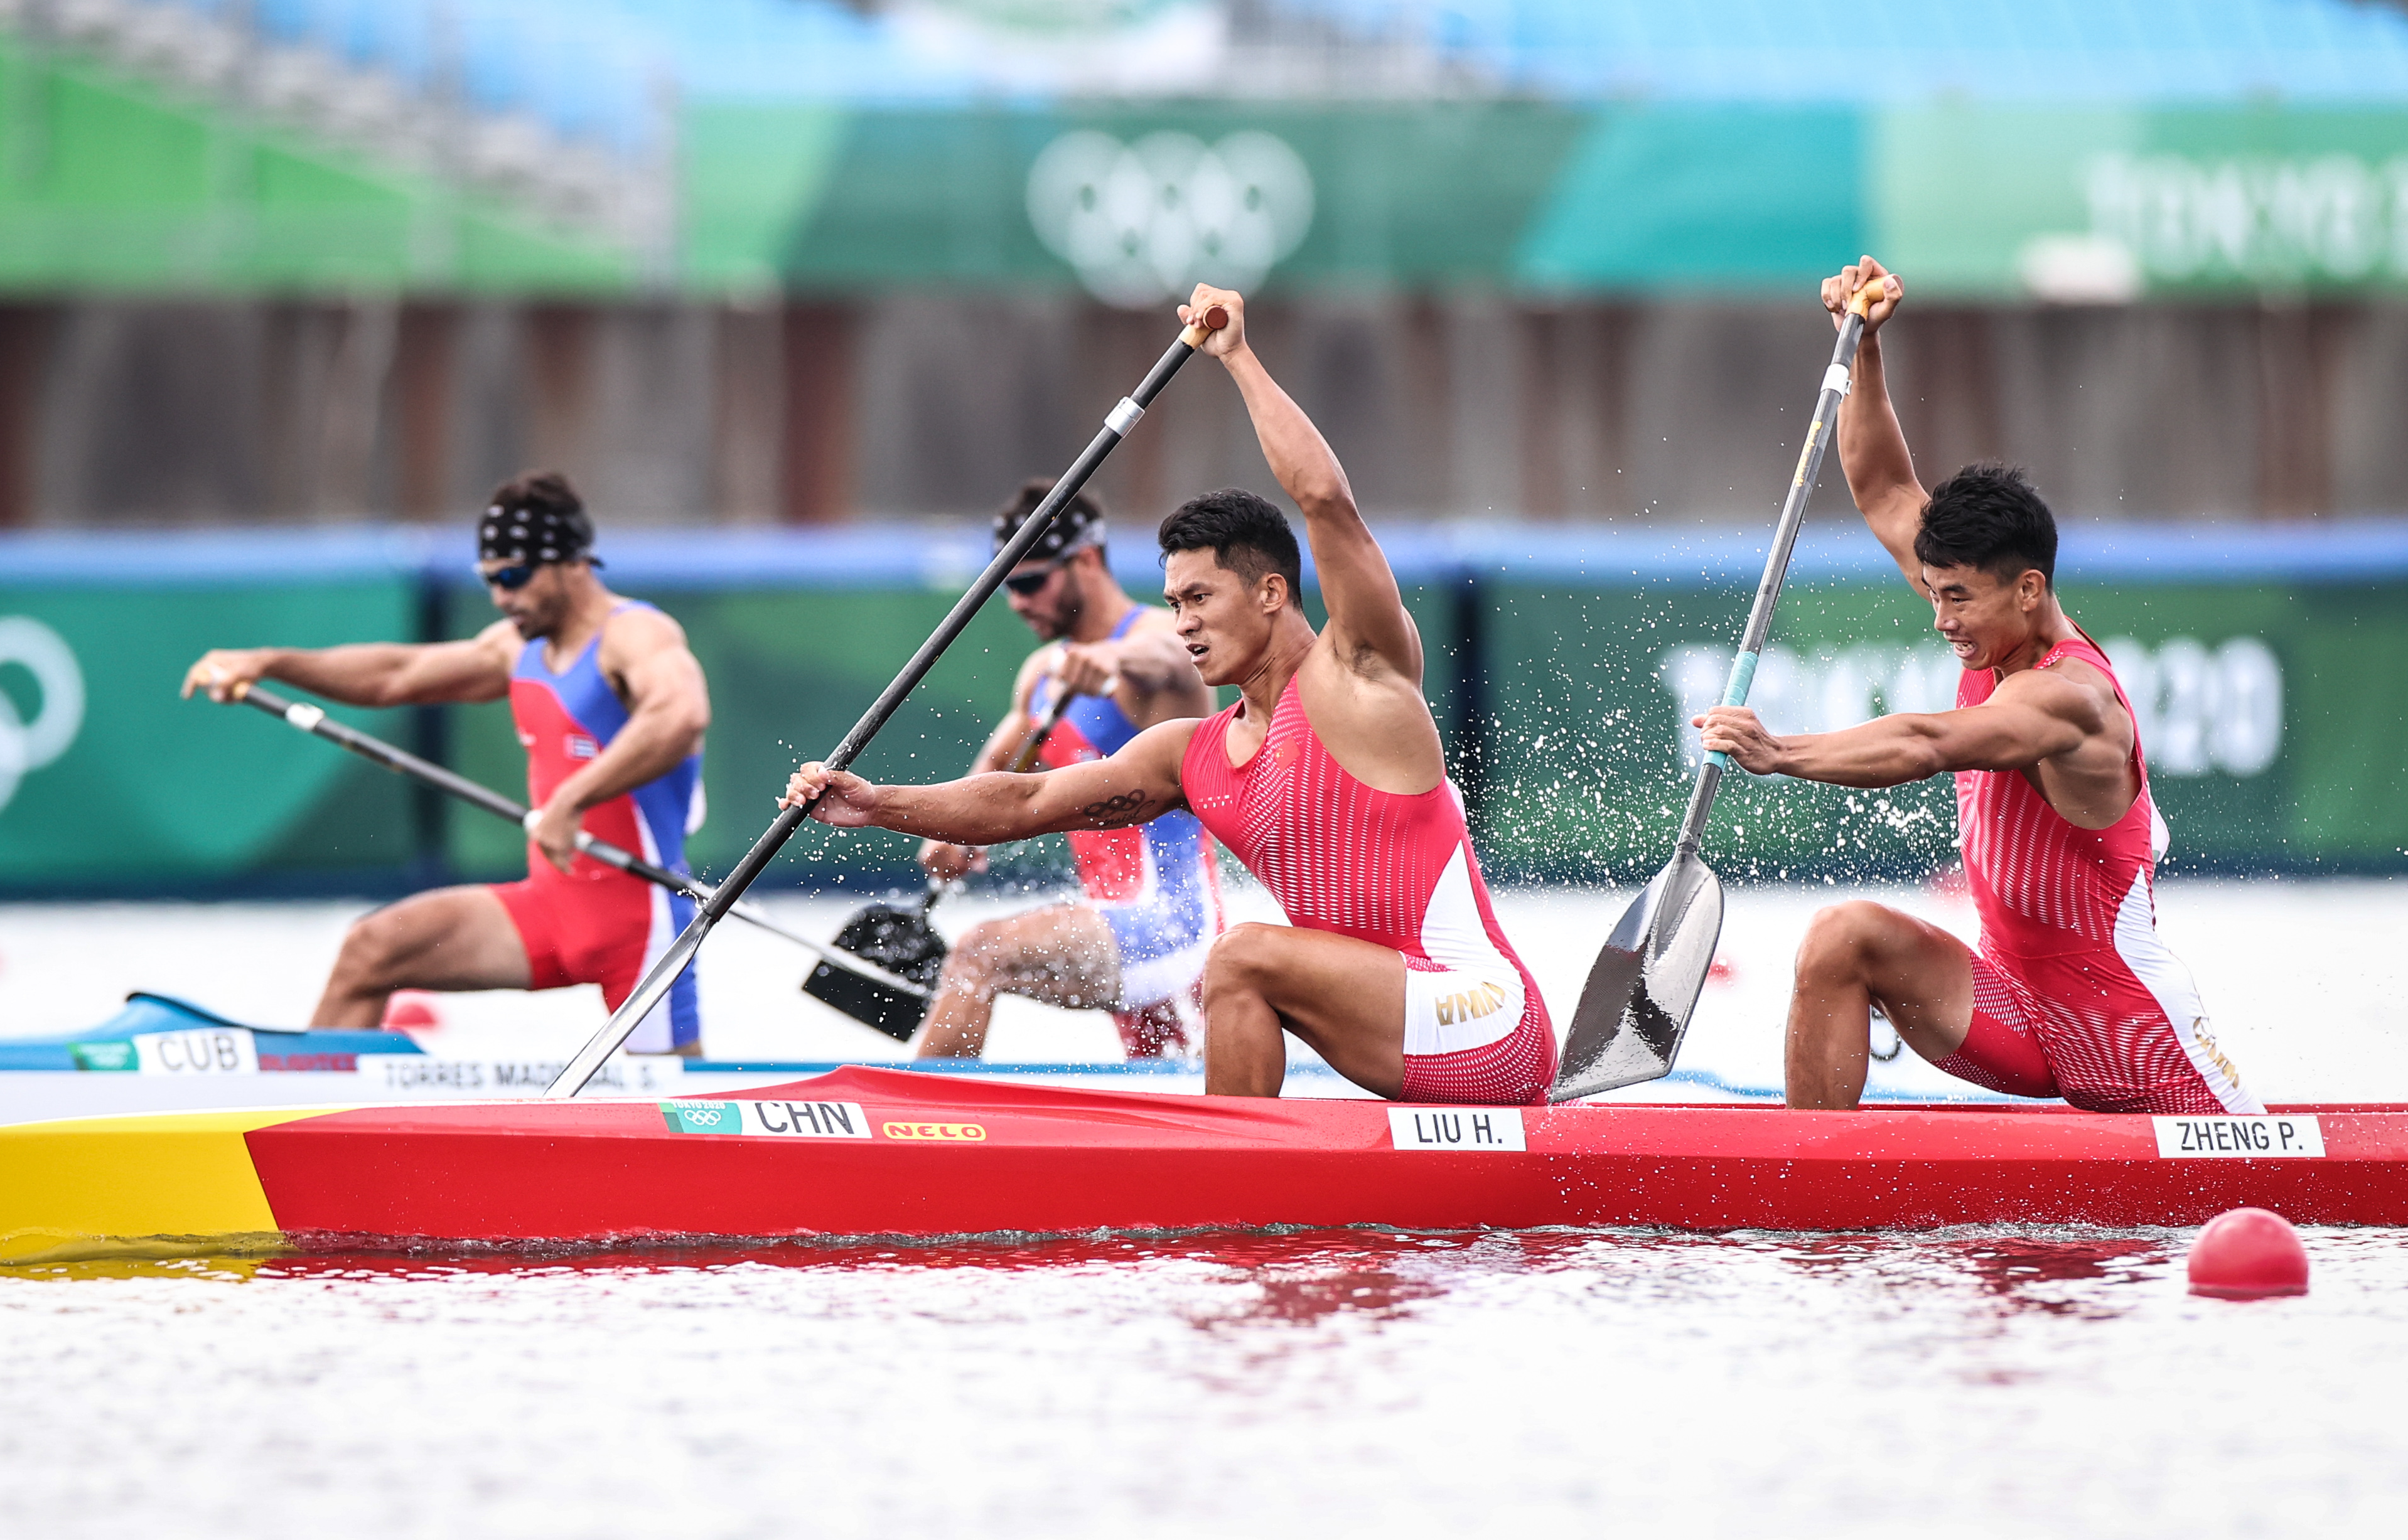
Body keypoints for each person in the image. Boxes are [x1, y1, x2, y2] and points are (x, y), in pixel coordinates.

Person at [783, 285, 1554, 1103]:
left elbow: (1326, 502)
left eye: (1198, 598)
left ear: (1267, 591)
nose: (1179, 622)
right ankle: (1241, 1197)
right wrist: (875, 803)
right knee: (1241, 972)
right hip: (1389, 1029)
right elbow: (1025, 800)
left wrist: (1237, 358)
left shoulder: (1360, 673)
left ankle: (1228, 1188)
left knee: (1242, 956)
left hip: (1485, 1022)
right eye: (1173, 601)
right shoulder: (1190, 754)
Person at [1692, 256, 2260, 1115]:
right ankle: (1811, 1189)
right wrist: (1863, 345)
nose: (1939, 618)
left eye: (1956, 599)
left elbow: (1925, 743)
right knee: (1840, 939)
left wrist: (1778, 752)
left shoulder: (2070, 700)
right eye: (1933, 592)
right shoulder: (1982, 614)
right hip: (2014, 1011)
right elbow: (1883, 488)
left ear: (2027, 588)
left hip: (2130, 1036)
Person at [181, 471, 710, 1050]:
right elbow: (395, 675)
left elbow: (680, 716)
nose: (502, 597)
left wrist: (571, 799)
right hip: (550, 910)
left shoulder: (636, 634)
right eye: (490, 581)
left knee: (678, 1108)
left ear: (571, 563)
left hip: (643, 926)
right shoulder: (516, 647)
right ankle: (306, 1115)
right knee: (372, 949)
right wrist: (269, 662)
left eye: (513, 577)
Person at [908, 479, 1223, 1059]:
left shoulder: (1160, 638)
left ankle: (911, 1139)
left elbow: (1167, 661)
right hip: (1109, 925)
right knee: (1161, 1091)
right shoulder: (1040, 675)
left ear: (1084, 560)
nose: (1018, 602)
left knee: (980, 956)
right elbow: (996, 772)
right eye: (1007, 587)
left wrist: (1109, 658)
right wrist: (950, 835)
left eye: (1030, 581)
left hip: (1171, 924)